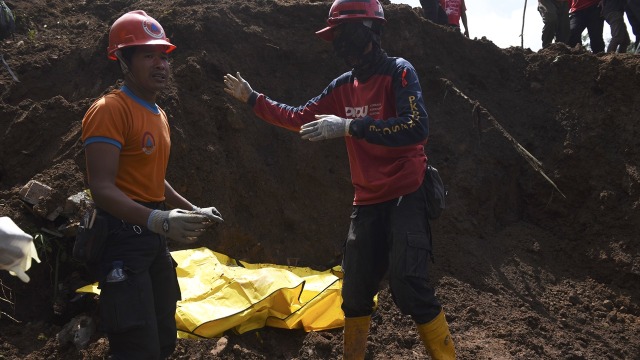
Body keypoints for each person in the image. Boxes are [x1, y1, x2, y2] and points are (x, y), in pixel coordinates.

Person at [223, 1, 455, 359]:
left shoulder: (399, 72)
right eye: (336, 36)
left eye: (345, 34)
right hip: (367, 200)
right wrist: (253, 99)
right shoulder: (343, 86)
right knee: (355, 294)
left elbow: (415, 127)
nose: (340, 44)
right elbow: (300, 116)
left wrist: (349, 126)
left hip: (407, 192)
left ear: (370, 30)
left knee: (409, 285)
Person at [81, 10, 223, 359]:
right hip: (122, 239)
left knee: (162, 336)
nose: (161, 64)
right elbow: (101, 188)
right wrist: (156, 219)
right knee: (135, 345)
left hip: (152, 239)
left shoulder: (158, 114)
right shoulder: (110, 110)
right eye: (148, 55)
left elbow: (154, 176)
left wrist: (190, 209)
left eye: (163, 56)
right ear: (124, 60)